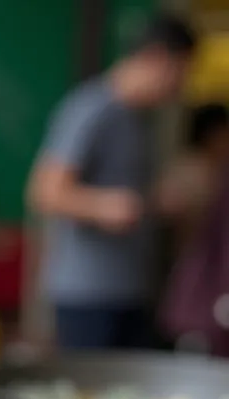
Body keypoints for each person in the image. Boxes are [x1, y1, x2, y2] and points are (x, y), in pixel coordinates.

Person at [28, 14, 197, 351]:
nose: (180, 85)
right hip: (87, 292)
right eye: (180, 72)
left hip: (132, 289)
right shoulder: (91, 108)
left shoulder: (141, 119)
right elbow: (44, 192)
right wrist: (103, 206)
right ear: (157, 59)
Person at [156, 102, 229, 253]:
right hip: (193, 256)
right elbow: (165, 207)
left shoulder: (221, 168)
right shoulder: (186, 169)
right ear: (211, 134)